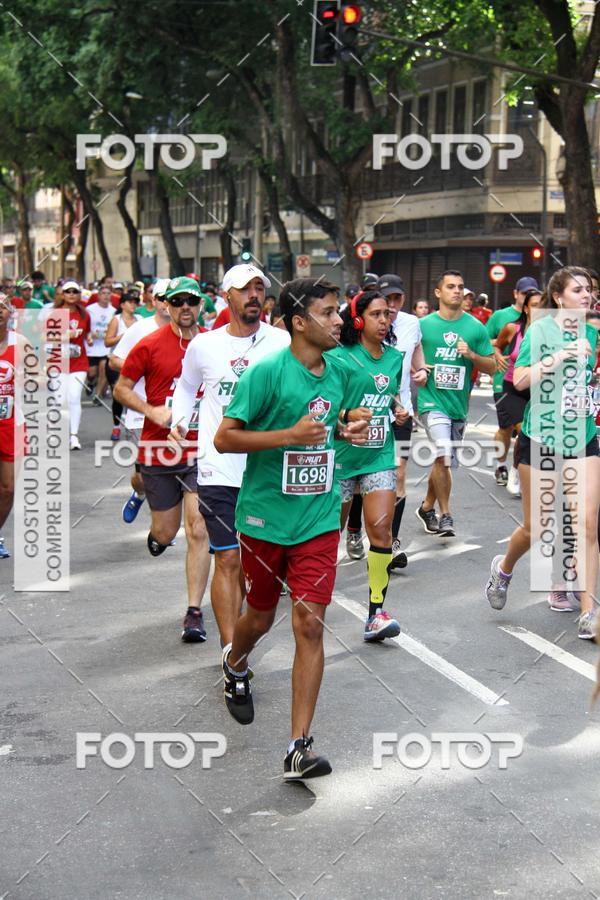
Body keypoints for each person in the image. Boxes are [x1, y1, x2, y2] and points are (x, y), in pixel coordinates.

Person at [214, 277, 368, 780]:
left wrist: (348, 425)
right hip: (264, 518)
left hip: (319, 518)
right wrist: (288, 436)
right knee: (258, 617)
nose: (339, 320)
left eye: (339, 312)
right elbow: (224, 439)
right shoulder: (265, 374)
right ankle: (236, 663)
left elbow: (333, 418)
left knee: (309, 623)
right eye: (329, 313)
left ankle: (299, 746)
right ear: (300, 322)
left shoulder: (341, 369)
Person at [169, 264, 290, 651]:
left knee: (256, 568)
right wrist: (179, 420)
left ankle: (241, 635)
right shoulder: (204, 345)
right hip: (218, 468)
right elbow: (187, 388)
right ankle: (230, 653)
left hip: (266, 471)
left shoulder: (282, 343)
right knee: (228, 559)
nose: (253, 295)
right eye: (244, 289)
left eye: (259, 288)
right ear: (227, 296)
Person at [485, 267, 600, 640]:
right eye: (578, 290)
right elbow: (519, 380)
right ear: (559, 297)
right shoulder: (541, 330)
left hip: (582, 439)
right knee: (538, 527)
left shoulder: (593, 330)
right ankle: (503, 570)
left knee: (586, 524)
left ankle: (588, 611)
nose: (587, 295)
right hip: (540, 439)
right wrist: (562, 354)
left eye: (590, 289)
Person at [115, 276, 210, 642]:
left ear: (200, 305)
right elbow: (122, 387)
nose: (185, 307)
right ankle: (142, 497)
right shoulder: (150, 344)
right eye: (178, 301)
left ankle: (193, 612)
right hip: (158, 450)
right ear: (167, 305)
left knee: (198, 528)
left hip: (201, 450)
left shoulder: (212, 344)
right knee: (166, 533)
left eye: (192, 301)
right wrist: (151, 411)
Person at [330, 288, 404, 639]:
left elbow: (388, 395)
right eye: (376, 314)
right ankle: (309, 591)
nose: (384, 320)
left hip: (379, 454)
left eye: (387, 314)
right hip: (341, 457)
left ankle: (376, 612)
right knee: (331, 535)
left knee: (381, 528)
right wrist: (345, 413)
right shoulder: (340, 358)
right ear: (357, 319)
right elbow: (321, 404)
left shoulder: (394, 358)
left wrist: (398, 408)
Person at [416, 270, 495, 537]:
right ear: (438, 293)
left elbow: (493, 367)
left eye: (461, 287)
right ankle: (446, 514)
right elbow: (402, 358)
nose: (457, 291)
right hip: (431, 401)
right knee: (443, 454)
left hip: (458, 406)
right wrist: (419, 366)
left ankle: (427, 506)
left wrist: (471, 354)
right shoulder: (423, 326)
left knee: (442, 460)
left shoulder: (475, 327)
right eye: (451, 287)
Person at [377, 274, 428, 571]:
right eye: (388, 298)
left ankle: (390, 542)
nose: (393, 305)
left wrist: (421, 370)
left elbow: (417, 350)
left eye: (397, 298)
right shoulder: (365, 322)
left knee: (397, 475)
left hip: (402, 412)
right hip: (369, 413)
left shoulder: (411, 324)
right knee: (361, 481)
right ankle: (357, 529)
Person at [110, 280, 171, 523]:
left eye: (173, 297)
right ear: (153, 301)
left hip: (177, 414)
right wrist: (143, 369)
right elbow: (115, 359)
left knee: (174, 468)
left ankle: (166, 521)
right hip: (141, 410)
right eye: (162, 297)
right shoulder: (140, 329)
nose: (167, 302)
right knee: (146, 475)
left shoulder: (191, 331)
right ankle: (139, 492)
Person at [487, 276, 539, 486]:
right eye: (526, 294)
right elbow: (488, 342)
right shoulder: (506, 322)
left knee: (526, 431)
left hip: (534, 387)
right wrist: (497, 354)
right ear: (518, 296)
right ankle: (501, 465)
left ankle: (517, 469)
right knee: (509, 428)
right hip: (506, 383)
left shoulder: (550, 329)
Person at [0, 295, 27, 559]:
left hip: (12, 424)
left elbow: (40, 376)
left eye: (3, 308)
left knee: (7, 488)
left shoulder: (19, 343)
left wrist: (28, 376)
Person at [51, 281, 91, 450]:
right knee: (60, 400)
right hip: (58, 362)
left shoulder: (84, 314)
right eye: (68, 291)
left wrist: (88, 337)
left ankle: (73, 436)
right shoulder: (55, 313)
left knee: (74, 397)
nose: (72, 294)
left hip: (79, 362)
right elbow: (46, 338)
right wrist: (65, 335)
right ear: (63, 294)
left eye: (75, 291)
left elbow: (87, 331)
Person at [104, 292, 141, 440]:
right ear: (122, 305)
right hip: (117, 362)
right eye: (130, 302)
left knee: (134, 395)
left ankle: (132, 425)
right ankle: (116, 426)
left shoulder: (140, 320)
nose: (133, 304)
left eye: (135, 302)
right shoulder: (116, 320)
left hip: (135, 363)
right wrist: (125, 335)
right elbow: (108, 342)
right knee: (119, 396)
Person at [85, 284, 116, 404]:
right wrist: (90, 334)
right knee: (92, 372)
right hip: (92, 346)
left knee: (104, 368)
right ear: (98, 295)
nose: (106, 296)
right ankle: (91, 382)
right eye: (103, 293)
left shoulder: (114, 311)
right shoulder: (90, 309)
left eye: (108, 294)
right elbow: (85, 325)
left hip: (105, 346)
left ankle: (97, 396)